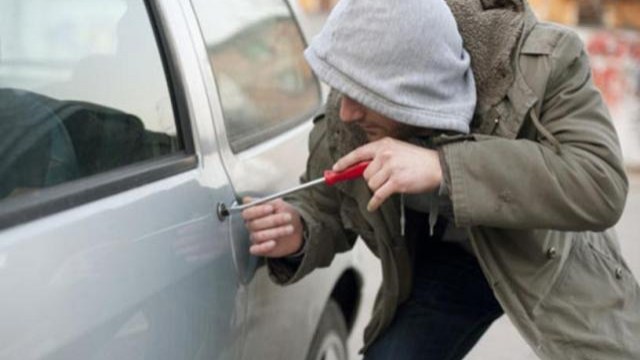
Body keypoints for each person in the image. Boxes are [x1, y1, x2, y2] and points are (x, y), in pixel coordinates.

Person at [241, 0, 640, 359]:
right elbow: (328, 203)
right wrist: (300, 229)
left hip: (548, 254)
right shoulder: (354, 98)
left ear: (414, 88)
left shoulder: (545, 62)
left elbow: (600, 182)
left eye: (363, 97)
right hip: (451, 266)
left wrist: (442, 166)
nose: (346, 113)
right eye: (343, 92)